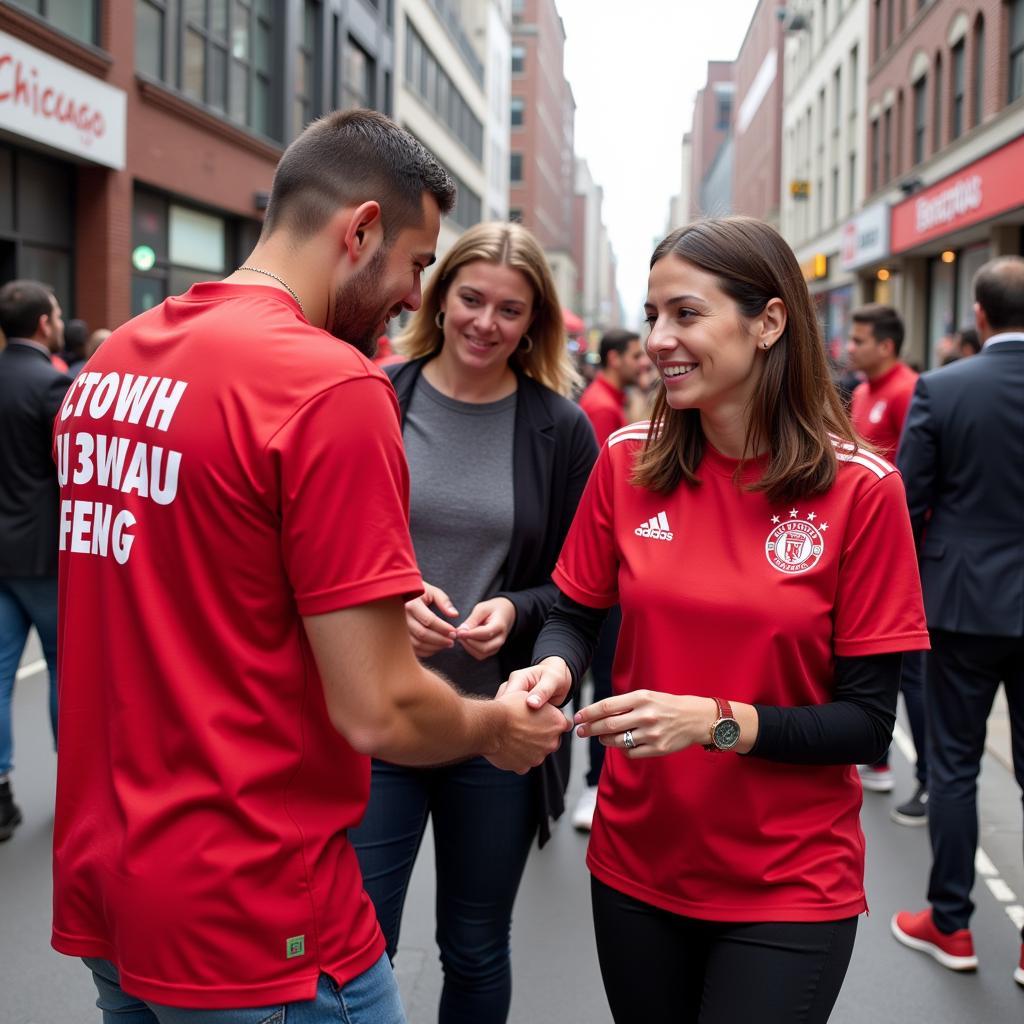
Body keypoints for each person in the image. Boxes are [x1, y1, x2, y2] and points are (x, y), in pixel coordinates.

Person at [51, 109, 569, 1024]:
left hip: (110, 881)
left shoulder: (111, 365)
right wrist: (495, 728)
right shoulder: (332, 385)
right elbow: (377, 706)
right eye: (417, 264)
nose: (416, 296)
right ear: (360, 229)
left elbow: (199, 582)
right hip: (257, 907)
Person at [504, 217, 929, 1024]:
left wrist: (715, 722)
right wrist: (556, 668)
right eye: (653, 314)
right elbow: (574, 615)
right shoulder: (627, 462)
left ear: (769, 322)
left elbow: (868, 724)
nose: (659, 338)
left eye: (686, 314)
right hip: (636, 866)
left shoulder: (863, 491)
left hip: (788, 882)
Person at [350, 221, 597, 1024]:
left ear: (536, 322)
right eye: (471, 299)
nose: (486, 323)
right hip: (380, 716)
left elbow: (581, 587)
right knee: (358, 943)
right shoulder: (376, 396)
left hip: (495, 726)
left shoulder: (562, 430)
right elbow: (317, 549)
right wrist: (390, 599)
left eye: (511, 309)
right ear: (439, 296)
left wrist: (515, 608)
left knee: (477, 945)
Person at [892, 255, 1024, 988]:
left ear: (978, 314)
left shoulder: (941, 388)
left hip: (963, 603)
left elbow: (907, 504)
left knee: (954, 766)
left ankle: (951, 922)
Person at [846, 304, 928, 822]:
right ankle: (875, 760)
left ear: (887, 346)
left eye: (859, 340)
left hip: (900, 549)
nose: (849, 348)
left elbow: (919, 479)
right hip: (856, 549)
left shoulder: (908, 390)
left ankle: (926, 776)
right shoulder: (859, 392)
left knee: (908, 670)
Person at [0, 279, 70, 842]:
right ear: (44, 325)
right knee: (63, 669)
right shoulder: (53, 386)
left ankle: (0, 789)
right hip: (43, 554)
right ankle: (71, 785)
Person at [567, 328, 643, 831]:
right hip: (611, 565)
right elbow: (600, 498)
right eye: (636, 353)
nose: (646, 358)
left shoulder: (613, 402)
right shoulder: (602, 409)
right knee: (607, 675)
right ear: (615, 359)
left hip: (618, 562)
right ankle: (596, 782)